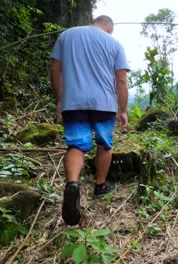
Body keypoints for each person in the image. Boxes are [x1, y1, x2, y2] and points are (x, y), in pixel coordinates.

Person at [50, 15, 130, 226]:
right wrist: (123, 110)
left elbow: (55, 69)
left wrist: (60, 99)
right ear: (109, 29)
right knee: (104, 144)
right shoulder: (114, 44)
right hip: (103, 103)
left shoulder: (66, 35)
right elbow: (121, 80)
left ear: (94, 22)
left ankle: (73, 184)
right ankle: (100, 186)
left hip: (73, 102)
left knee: (76, 144)